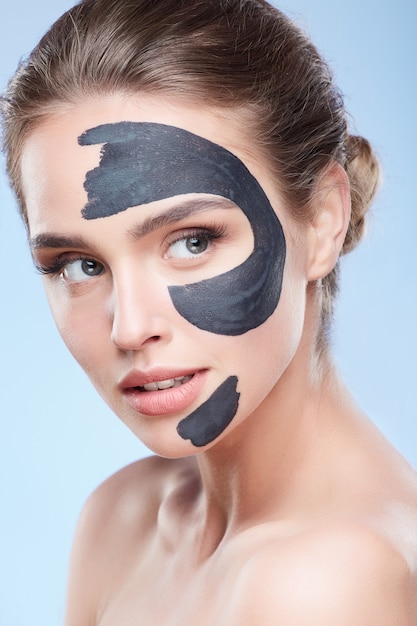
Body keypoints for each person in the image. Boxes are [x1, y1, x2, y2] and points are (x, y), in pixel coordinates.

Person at [2, 0, 416, 623]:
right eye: (79, 265)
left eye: (192, 241)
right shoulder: (119, 519)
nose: (130, 326)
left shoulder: (327, 582)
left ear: (323, 218)